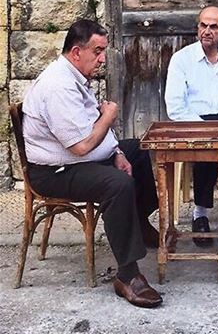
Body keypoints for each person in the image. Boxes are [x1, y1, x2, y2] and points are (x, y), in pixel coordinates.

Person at [22, 19, 162, 308]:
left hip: (78, 160)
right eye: (97, 52)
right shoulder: (58, 86)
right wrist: (108, 117)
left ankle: (137, 220)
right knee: (118, 184)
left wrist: (117, 153)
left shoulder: (75, 77)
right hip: (54, 172)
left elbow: (90, 129)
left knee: (143, 149)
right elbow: (82, 145)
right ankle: (128, 274)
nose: (101, 59)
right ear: (76, 52)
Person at [164, 6, 218, 247]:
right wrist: (207, 130)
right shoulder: (182, 60)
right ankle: (200, 215)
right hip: (193, 122)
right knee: (207, 150)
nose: (207, 31)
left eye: (214, 26)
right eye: (203, 25)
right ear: (197, 28)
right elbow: (175, 107)